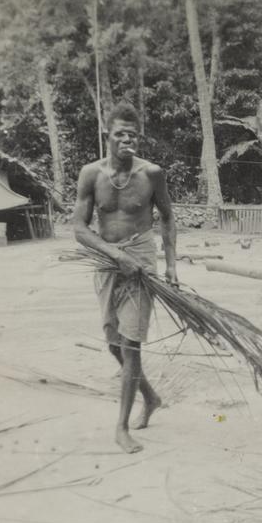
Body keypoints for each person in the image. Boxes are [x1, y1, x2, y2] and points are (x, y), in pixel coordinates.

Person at [74, 102, 178, 454]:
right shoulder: (91, 174)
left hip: (141, 261)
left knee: (131, 343)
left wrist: (171, 265)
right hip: (107, 260)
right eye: (120, 134)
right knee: (113, 342)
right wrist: (115, 255)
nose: (127, 140)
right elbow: (78, 228)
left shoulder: (152, 174)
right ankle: (149, 396)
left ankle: (121, 427)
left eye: (133, 135)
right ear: (108, 135)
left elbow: (167, 216)